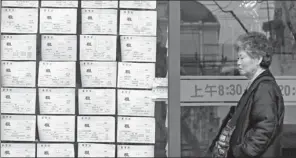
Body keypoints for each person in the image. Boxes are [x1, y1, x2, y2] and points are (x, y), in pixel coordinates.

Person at [207, 31, 285, 158]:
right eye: (238, 58)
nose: (238, 62)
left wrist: (241, 152)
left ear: (258, 59)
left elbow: (265, 129)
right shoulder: (257, 85)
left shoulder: (265, 88)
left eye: (242, 57)